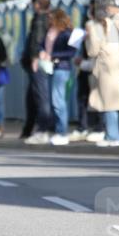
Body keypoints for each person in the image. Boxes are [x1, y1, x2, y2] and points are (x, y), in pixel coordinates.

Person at [85, 1, 119, 147]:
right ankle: (114, 135)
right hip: (116, 68)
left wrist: (87, 38)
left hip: (105, 69)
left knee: (108, 105)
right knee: (114, 103)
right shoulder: (112, 24)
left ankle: (112, 137)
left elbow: (93, 51)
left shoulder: (94, 26)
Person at [42, 8, 76, 145]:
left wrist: (52, 55)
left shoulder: (66, 33)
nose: (49, 20)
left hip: (62, 68)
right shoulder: (51, 31)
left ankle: (62, 132)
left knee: (59, 101)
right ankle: (58, 131)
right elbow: (42, 45)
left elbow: (71, 52)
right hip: (52, 68)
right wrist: (41, 51)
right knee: (56, 101)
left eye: (51, 18)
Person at [24, 0, 53, 144]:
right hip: (46, 63)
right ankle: (30, 129)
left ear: (37, 4)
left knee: (41, 97)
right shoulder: (48, 17)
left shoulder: (40, 20)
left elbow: (37, 40)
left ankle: (43, 130)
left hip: (39, 64)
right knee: (35, 97)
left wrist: (35, 57)